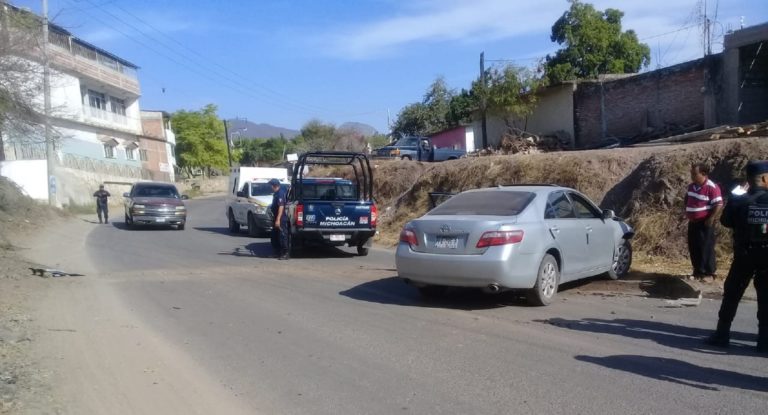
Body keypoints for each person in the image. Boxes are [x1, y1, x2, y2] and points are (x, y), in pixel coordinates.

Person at [705, 161, 768, 353]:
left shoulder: (740, 200)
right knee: (766, 299)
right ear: (765, 178)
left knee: (732, 295)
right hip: (767, 257)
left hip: (744, 255)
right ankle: (764, 341)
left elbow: (726, 221)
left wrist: (737, 195)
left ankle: (722, 334)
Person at [685, 163, 723, 279]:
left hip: (705, 222)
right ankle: (698, 271)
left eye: (694, 174)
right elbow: (687, 198)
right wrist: (687, 210)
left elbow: (719, 204)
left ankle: (709, 272)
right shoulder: (691, 186)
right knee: (694, 246)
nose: (692, 176)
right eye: (691, 174)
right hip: (693, 222)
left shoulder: (712, 187)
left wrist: (711, 218)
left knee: (705, 246)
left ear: (704, 174)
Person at [269, 178, 289, 260]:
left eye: (271, 185)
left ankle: (285, 253)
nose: (270, 187)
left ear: (274, 186)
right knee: (275, 236)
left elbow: (281, 207)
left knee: (282, 236)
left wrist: (278, 220)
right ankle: (277, 252)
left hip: (280, 218)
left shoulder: (280, 193)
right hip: (276, 217)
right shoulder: (276, 193)